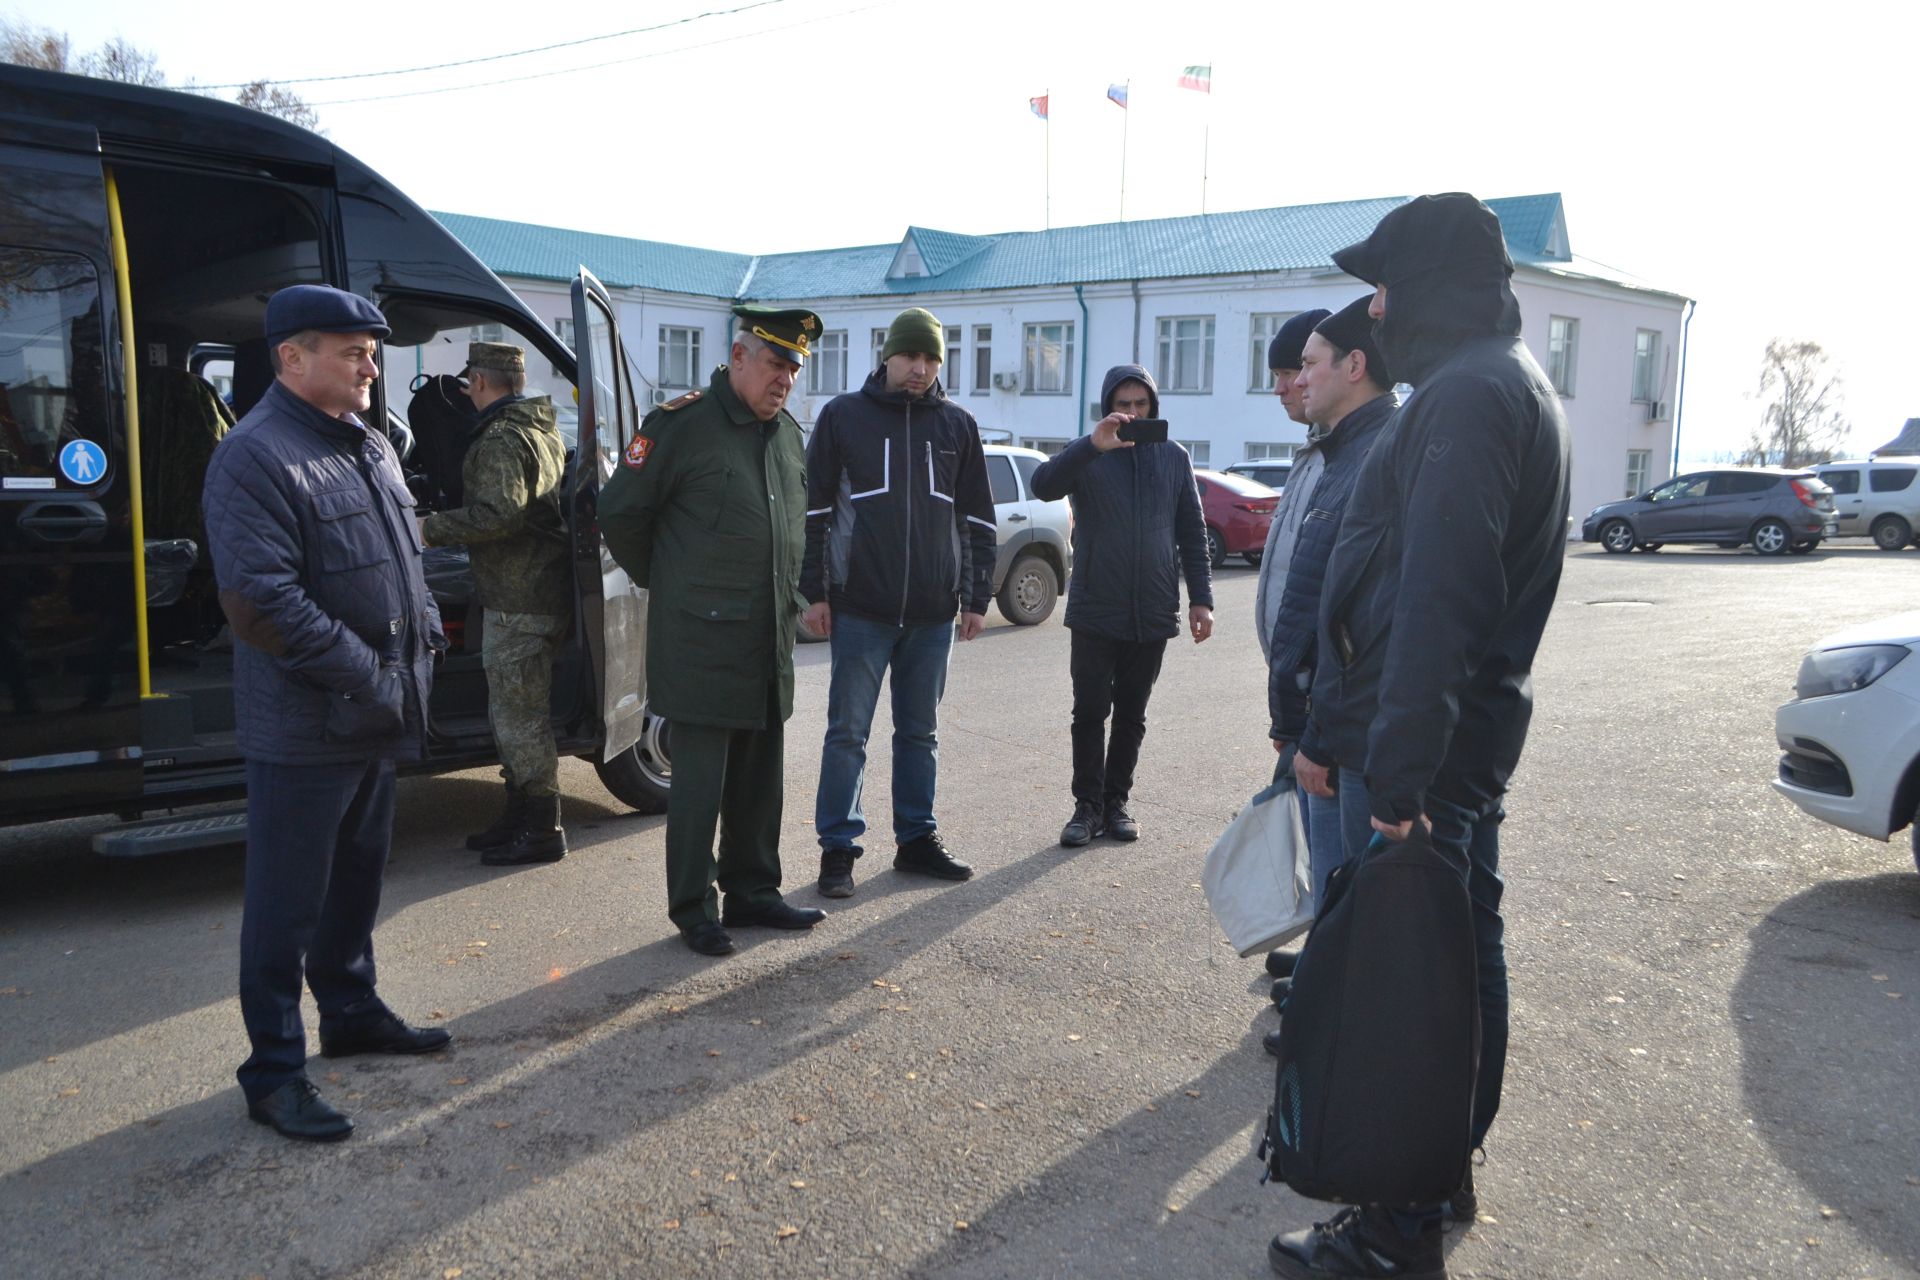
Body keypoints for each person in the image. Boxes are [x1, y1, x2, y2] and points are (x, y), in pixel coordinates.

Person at [1267, 194, 1571, 1279]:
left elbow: (1437, 597)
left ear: (1429, 285)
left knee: (1410, 995)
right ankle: (1438, 1177)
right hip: (1463, 747)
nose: (1376, 305)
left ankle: (1396, 1230)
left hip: (1431, 759)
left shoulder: (1469, 395)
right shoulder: (1497, 381)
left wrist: (1394, 770)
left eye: (1386, 283)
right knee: (1453, 968)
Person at [202, 285, 451, 1144]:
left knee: (355, 882)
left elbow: (398, 561)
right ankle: (273, 1071)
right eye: (352, 352)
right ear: (291, 358)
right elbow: (262, 602)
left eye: (371, 352)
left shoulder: (369, 445)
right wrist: (370, 678)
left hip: (373, 717)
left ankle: (349, 1009)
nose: (370, 365)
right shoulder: (256, 455)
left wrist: (423, 646)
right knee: (286, 905)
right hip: (308, 726)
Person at [598, 305, 825, 957]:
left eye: (795, 368)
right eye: (776, 363)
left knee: (761, 776)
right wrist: (670, 582)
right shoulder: (683, 426)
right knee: (699, 783)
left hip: (766, 637)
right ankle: (694, 908)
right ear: (739, 357)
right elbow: (620, 514)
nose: (786, 378)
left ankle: (754, 891)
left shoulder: (786, 435)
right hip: (701, 638)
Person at [802, 307, 996, 898]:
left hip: (934, 614)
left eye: (931, 357)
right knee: (847, 734)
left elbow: (977, 518)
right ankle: (838, 849)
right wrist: (814, 592)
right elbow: (813, 513)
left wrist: (975, 597)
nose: (920, 368)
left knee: (920, 734)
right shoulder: (843, 417)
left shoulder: (958, 425)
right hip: (861, 608)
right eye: (910, 355)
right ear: (887, 356)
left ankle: (916, 840)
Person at [1256, 299, 1397, 1041]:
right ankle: (1326, 979)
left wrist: (1312, 726)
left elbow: (1359, 616)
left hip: (1337, 719)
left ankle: (1333, 1020)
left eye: (1306, 365)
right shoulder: (1339, 449)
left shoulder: (1376, 454)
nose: (1296, 382)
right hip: (1318, 709)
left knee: (1349, 880)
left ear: (1353, 365)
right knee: (1336, 875)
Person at [1028, 364, 1212, 846]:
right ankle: (1085, 808)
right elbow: (1043, 485)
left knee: (1132, 713)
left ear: (1153, 408)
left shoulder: (1174, 457)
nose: (1131, 414)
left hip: (1151, 609)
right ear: (1108, 407)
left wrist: (1202, 599)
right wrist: (1092, 445)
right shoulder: (1088, 453)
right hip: (1095, 607)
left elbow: (1192, 532)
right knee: (1089, 711)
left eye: (1141, 405)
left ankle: (1117, 803)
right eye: (1123, 405)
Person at [421, 342, 571, 866]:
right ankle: (518, 812)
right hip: (529, 590)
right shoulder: (539, 426)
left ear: (478, 382)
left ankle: (542, 827)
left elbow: (498, 515)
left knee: (520, 718)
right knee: (511, 713)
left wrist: (428, 529)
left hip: (520, 595)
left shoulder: (504, 436)